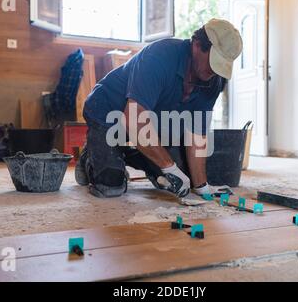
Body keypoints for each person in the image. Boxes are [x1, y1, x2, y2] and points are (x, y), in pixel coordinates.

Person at [75, 19, 243, 198]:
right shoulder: (160, 55)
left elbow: (197, 135)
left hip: (149, 123)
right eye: (214, 61)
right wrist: (168, 166)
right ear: (197, 44)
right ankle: (90, 156)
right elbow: (133, 118)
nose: (214, 70)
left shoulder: (214, 80)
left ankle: (120, 153)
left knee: (182, 177)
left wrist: (201, 186)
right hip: (107, 113)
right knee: (110, 185)